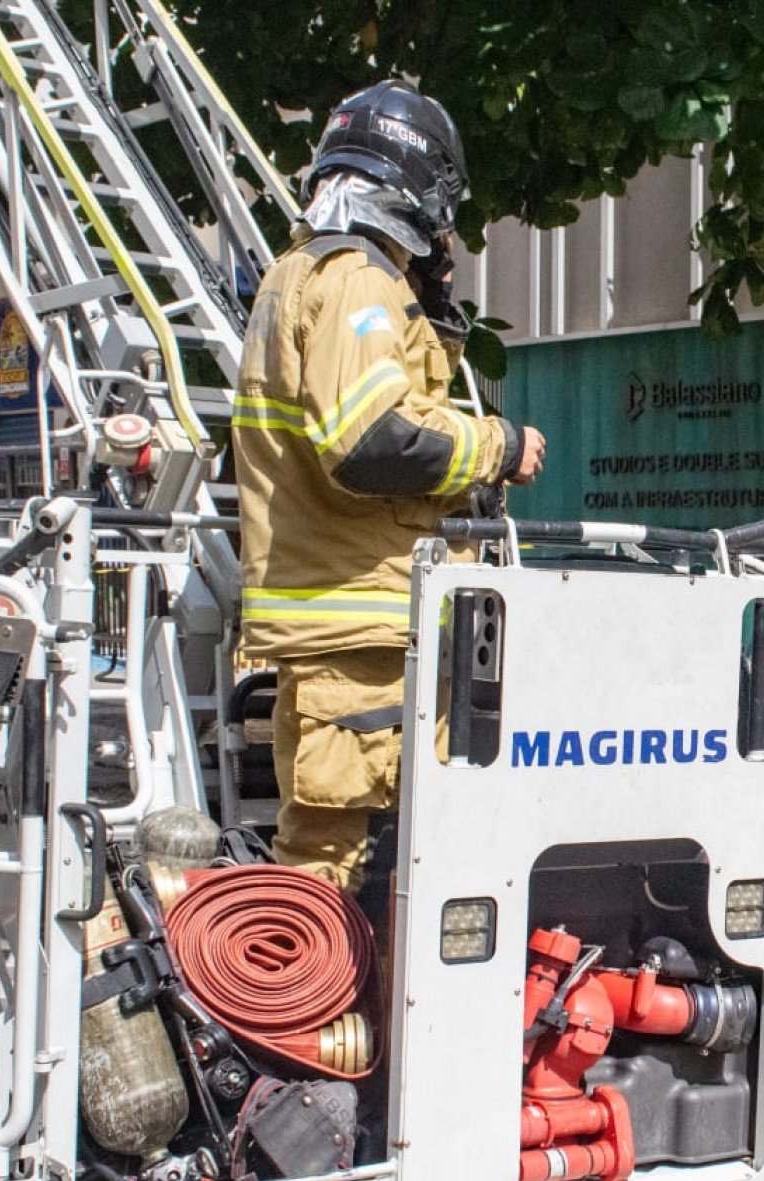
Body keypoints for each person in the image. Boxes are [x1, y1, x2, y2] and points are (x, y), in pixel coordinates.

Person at [233, 80, 546, 892]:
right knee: (343, 866)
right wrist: (497, 445)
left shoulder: (302, 272)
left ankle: (327, 1007)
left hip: (343, 620)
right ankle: (316, 1011)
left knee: (339, 853)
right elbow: (373, 442)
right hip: (362, 621)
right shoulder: (355, 279)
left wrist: (432, 307)